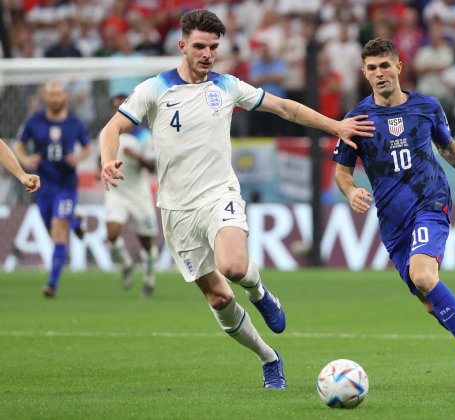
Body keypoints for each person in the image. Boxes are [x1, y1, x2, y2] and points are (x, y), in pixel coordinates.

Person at [99, 9, 374, 389]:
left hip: (219, 194)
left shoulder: (226, 87)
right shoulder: (155, 89)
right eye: (199, 46)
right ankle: (269, 357)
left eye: (213, 46)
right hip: (176, 209)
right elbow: (112, 127)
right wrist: (106, 158)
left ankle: (261, 293)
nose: (207, 53)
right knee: (217, 298)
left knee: (232, 265)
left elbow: (284, 107)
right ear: (182, 46)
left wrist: (335, 125)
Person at [333, 38, 455, 385]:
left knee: (423, 275)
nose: (379, 74)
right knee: (428, 300)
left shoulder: (426, 106)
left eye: (385, 66)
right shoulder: (356, 119)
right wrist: (350, 191)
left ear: (398, 67)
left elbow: (445, 144)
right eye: (372, 68)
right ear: (364, 72)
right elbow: (342, 172)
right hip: (393, 219)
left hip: (430, 201)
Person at [14, 81, 91, 298]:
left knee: (58, 229)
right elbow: (18, 145)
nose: (55, 98)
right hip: (42, 186)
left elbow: (88, 147)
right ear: (45, 97)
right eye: (51, 94)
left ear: (65, 96)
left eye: (58, 94)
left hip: (66, 184)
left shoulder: (74, 122)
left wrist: (77, 159)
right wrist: (26, 160)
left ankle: (52, 284)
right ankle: (75, 221)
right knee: (53, 229)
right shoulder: (34, 121)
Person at [101, 94, 159, 297]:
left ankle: (149, 277)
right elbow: (97, 162)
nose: (119, 112)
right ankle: (126, 265)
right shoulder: (109, 133)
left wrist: (136, 157)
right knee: (112, 234)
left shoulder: (143, 137)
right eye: (115, 108)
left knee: (146, 243)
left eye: (122, 107)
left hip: (138, 194)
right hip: (116, 192)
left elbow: (153, 167)